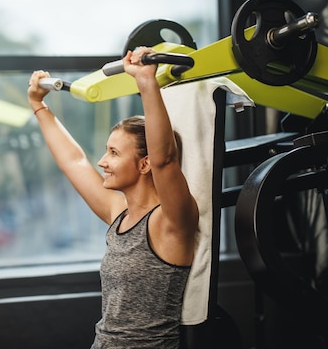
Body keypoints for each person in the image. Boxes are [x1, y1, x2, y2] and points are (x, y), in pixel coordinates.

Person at [27, 46, 199, 349]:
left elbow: (166, 161)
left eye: (114, 153)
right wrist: (39, 107)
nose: (102, 161)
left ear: (145, 164)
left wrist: (147, 82)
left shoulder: (169, 223)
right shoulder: (118, 212)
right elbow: (74, 161)